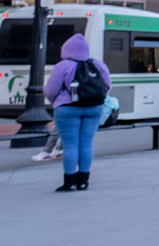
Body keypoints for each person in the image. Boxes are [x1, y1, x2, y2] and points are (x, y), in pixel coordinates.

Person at [46, 34, 111, 191]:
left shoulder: (63, 66)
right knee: (87, 143)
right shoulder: (98, 64)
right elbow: (107, 85)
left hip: (67, 109)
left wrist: (57, 101)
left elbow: (51, 90)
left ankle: (70, 182)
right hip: (94, 108)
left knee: (70, 144)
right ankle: (83, 181)